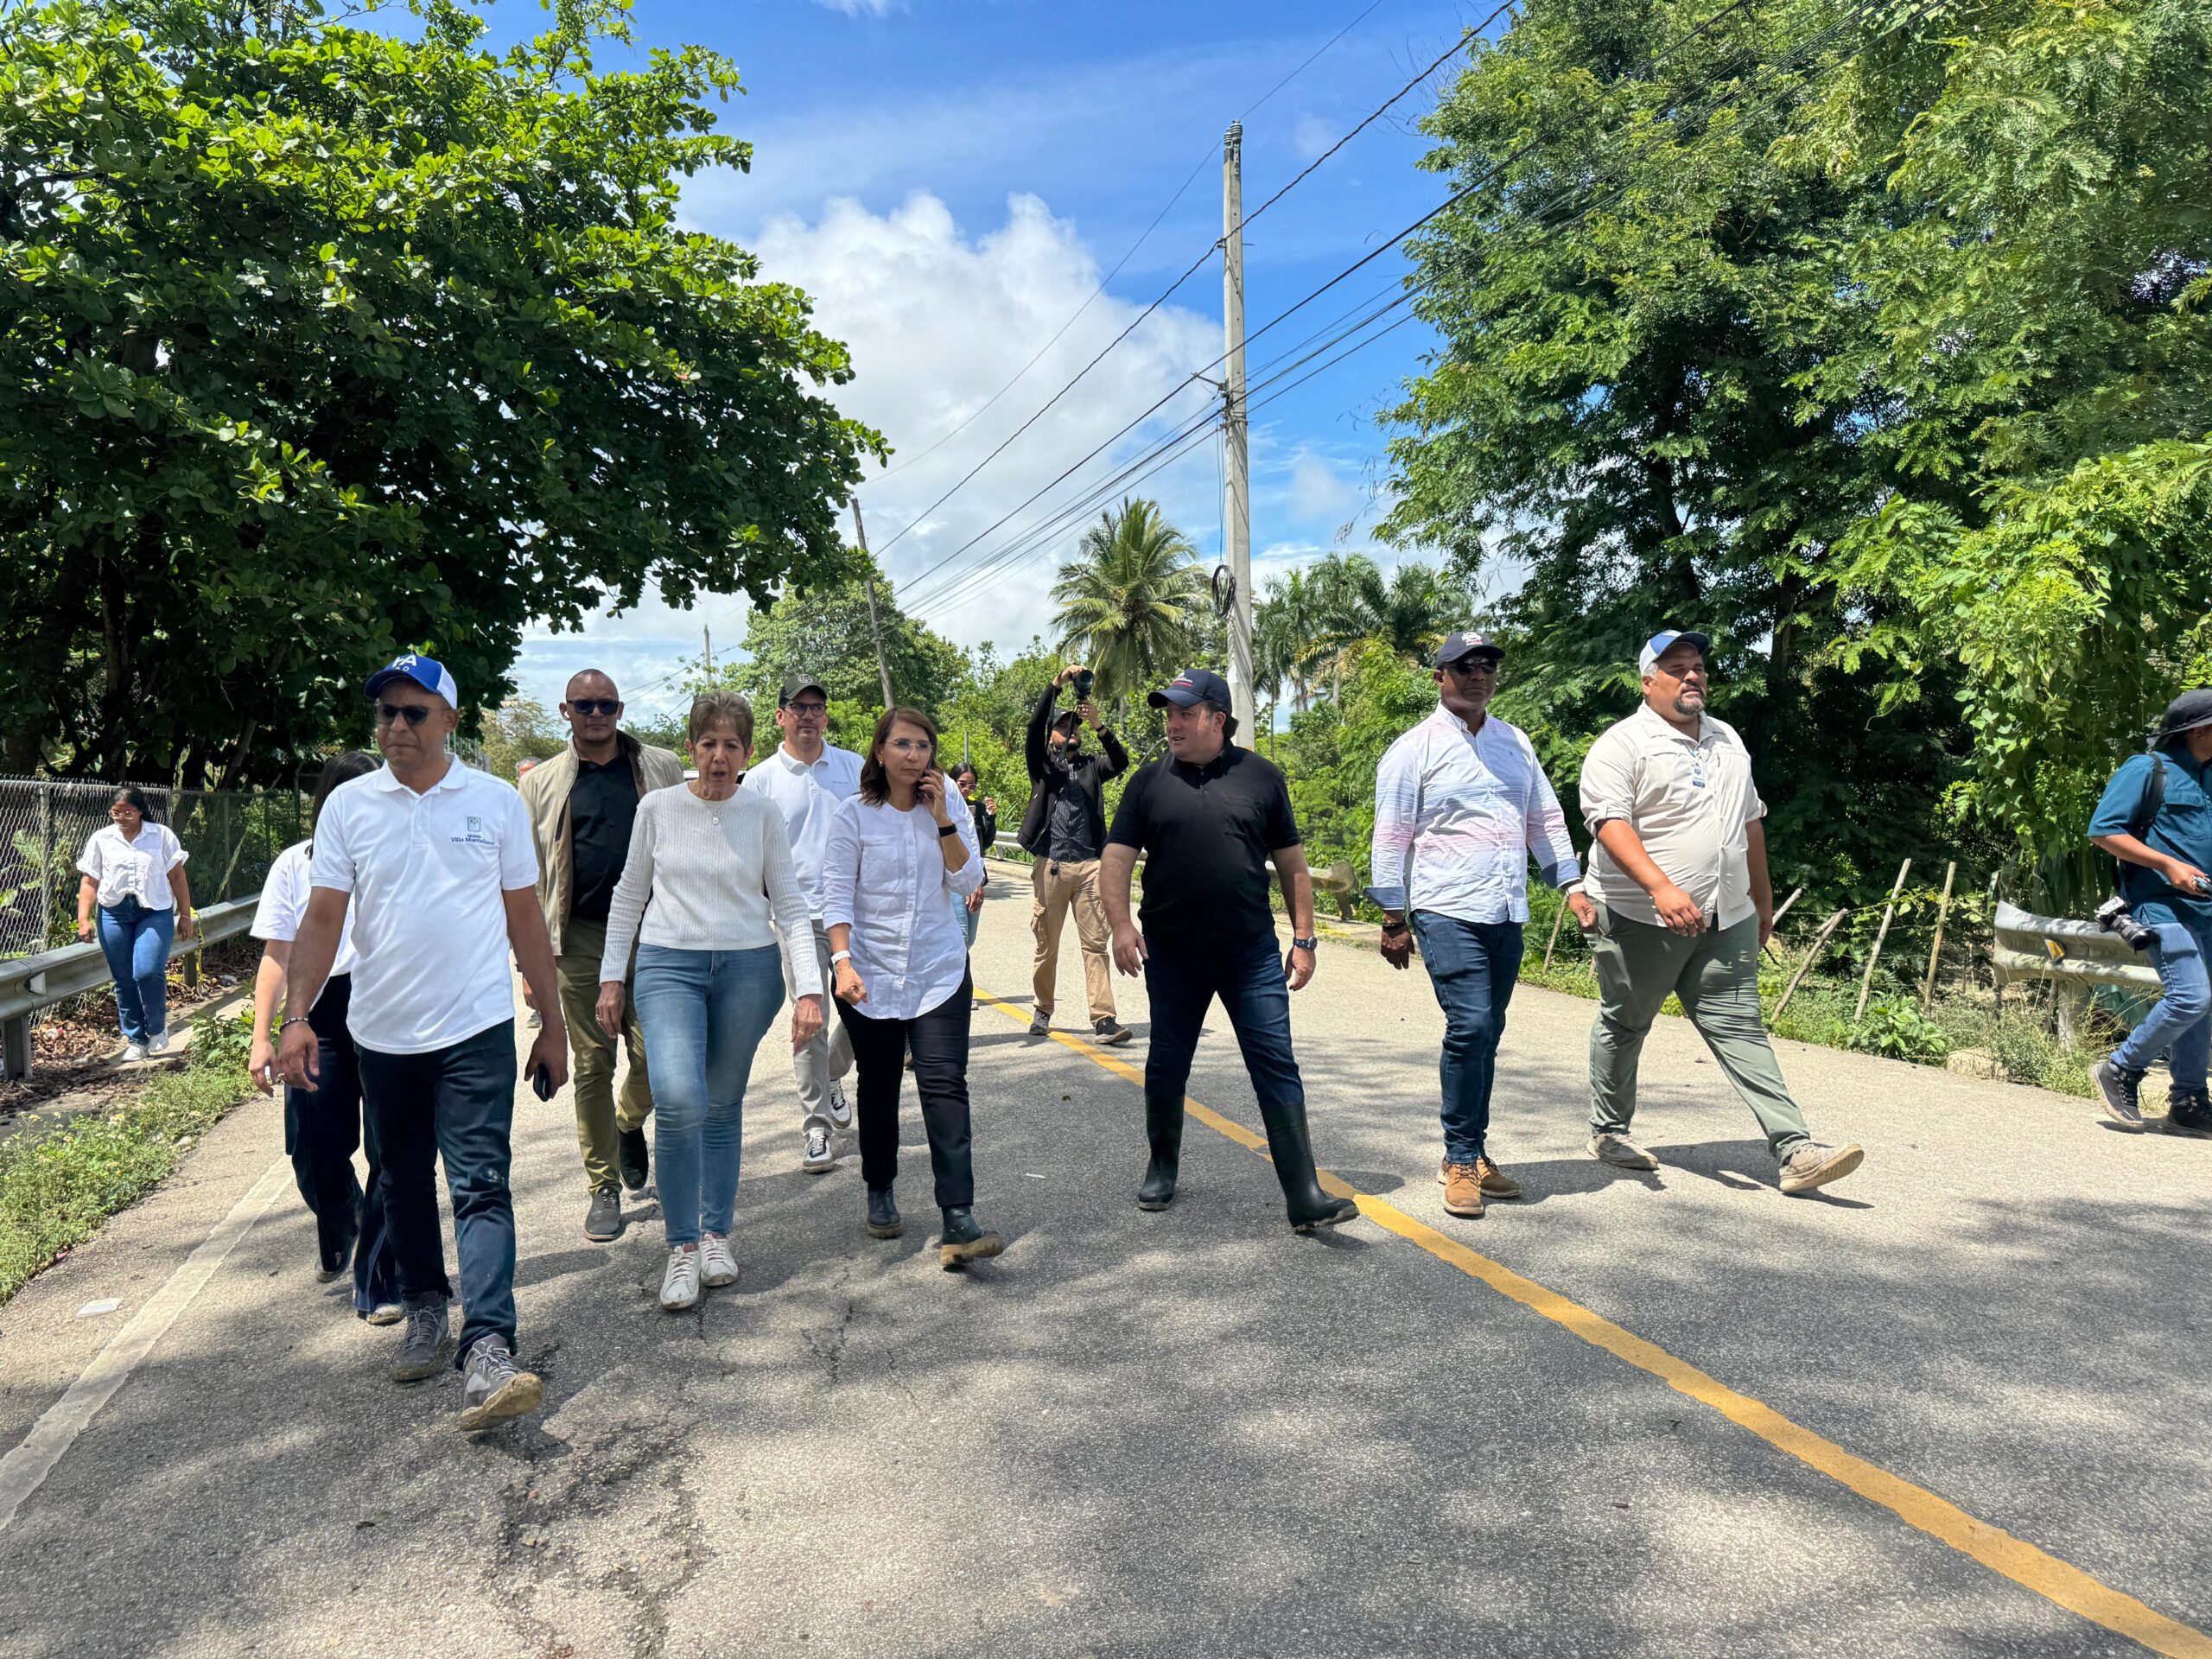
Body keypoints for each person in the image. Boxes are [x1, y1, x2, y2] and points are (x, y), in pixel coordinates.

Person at [277, 653, 569, 1432]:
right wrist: (296, 1017)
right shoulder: (350, 809)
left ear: (450, 721)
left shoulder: (495, 802)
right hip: (383, 1034)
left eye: (414, 712)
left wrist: (552, 1023)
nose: (397, 726)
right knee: (402, 1180)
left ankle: (489, 1344)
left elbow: (524, 917)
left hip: (475, 1028)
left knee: (481, 1182)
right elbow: (323, 919)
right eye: (387, 713)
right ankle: (425, 1308)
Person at [1577, 630, 1862, 1195]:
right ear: (1647, 682)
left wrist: (1762, 898)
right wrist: (1661, 888)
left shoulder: (1728, 739)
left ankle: (1795, 1149)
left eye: (1698, 667)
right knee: (1627, 1020)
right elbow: (1609, 824)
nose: (1692, 676)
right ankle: (1609, 1132)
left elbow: (1750, 822)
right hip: (1639, 915)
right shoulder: (1621, 744)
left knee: (1739, 1027)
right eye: (1676, 667)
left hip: (1726, 914)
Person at [1102, 669, 1358, 1234]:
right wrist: (1121, 926)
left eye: (1185, 713)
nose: (1173, 724)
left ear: (1218, 719)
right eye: (1169, 714)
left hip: (1250, 954)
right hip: (1173, 953)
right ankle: (1161, 1167)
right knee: (1168, 1060)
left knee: (1275, 1060)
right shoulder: (1147, 783)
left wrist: (1305, 939)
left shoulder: (1261, 777)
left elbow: (1292, 864)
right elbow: (1116, 859)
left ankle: (1304, 1193)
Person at [598, 692, 826, 1310]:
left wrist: (809, 990)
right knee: (678, 1099)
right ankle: (681, 1246)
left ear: (747, 753)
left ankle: (715, 1234)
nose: (719, 757)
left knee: (722, 1105)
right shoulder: (658, 808)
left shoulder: (762, 813)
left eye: (731, 745)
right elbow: (629, 894)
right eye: (708, 744)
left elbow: (790, 903)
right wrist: (612, 978)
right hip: (668, 963)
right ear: (692, 748)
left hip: (748, 969)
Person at [1370, 632, 1593, 1218]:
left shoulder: (1514, 742)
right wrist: (1393, 916)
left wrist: (1571, 886)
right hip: (1444, 907)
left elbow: (1544, 818)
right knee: (1470, 1024)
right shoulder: (1413, 749)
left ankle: (1473, 1150)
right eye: (1465, 666)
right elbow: (1390, 835)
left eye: (1487, 667)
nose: (1478, 676)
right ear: (1439, 677)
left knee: (1487, 1030)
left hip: (1506, 909)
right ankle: (1460, 1157)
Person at [823, 707, 1003, 1269]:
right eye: (902, 744)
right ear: (880, 751)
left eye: (923, 745)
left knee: (945, 1085)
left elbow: (969, 879)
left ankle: (959, 1217)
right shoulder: (853, 816)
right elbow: (836, 895)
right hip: (869, 974)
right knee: (878, 1085)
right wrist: (842, 963)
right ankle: (880, 1188)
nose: (913, 754)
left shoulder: (944, 806)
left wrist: (944, 819)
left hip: (937, 970)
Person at [519, 669, 685, 1243]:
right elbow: (527, 879)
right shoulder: (541, 784)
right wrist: (530, 964)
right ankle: (603, 1186)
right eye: (584, 705)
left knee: (659, 1059)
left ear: (620, 709)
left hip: (655, 931)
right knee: (593, 1064)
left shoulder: (660, 767)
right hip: (581, 939)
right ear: (565, 710)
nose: (596, 714)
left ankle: (627, 1122)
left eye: (606, 705)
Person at [247, 750, 400, 1320]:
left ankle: (380, 1271)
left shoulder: (405, 856)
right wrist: (263, 1036)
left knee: (391, 1147)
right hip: (318, 1014)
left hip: (387, 1007)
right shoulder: (296, 863)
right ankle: (347, 1219)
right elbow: (277, 955)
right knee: (313, 1149)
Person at [741, 672, 861, 1173]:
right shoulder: (761, 780)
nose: (808, 716)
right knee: (810, 1021)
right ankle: (816, 1128)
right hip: (797, 916)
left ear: (825, 717)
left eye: (816, 707)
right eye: (798, 707)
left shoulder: (855, 768)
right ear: (781, 716)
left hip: (856, 913)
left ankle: (831, 1074)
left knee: (866, 1010)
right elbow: (749, 853)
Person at [2089, 689, 2212, 1136]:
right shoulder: (2148, 769)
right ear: (2200, 730)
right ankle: (2120, 1068)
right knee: (2191, 997)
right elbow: (2103, 830)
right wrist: (2167, 864)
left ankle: (2189, 1101)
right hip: (2159, 905)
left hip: (2206, 910)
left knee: (2204, 1007)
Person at [1019, 663, 1131, 1043]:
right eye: (1064, 726)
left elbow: (1120, 761)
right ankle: (1043, 1009)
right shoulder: (1043, 766)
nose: (1071, 731)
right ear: (1053, 734)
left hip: (1089, 868)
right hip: (1051, 865)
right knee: (1046, 945)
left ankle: (1104, 1019)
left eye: (1075, 727)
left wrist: (1099, 725)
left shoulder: (1091, 767)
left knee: (1095, 944)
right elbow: (1034, 726)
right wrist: (1057, 684)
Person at [76, 787, 194, 1061]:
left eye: (128, 812)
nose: (121, 817)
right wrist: (83, 918)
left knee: (147, 971)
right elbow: (90, 880)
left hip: (153, 911)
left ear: (140, 810)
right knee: (124, 978)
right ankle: (136, 1040)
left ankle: (157, 1029)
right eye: (116, 812)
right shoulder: (101, 839)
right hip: (113, 913)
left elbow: (177, 877)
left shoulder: (161, 835)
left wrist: (185, 915)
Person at [951, 762, 997, 953]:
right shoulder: (943, 806)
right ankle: (956, 971)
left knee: (970, 939)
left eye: (972, 786)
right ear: (951, 782)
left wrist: (991, 817)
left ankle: (960, 967)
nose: (966, 789)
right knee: (960, 936)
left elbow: (985, 843)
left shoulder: (977, 807)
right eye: (962, 784)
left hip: (976, 876)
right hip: (953, 876)